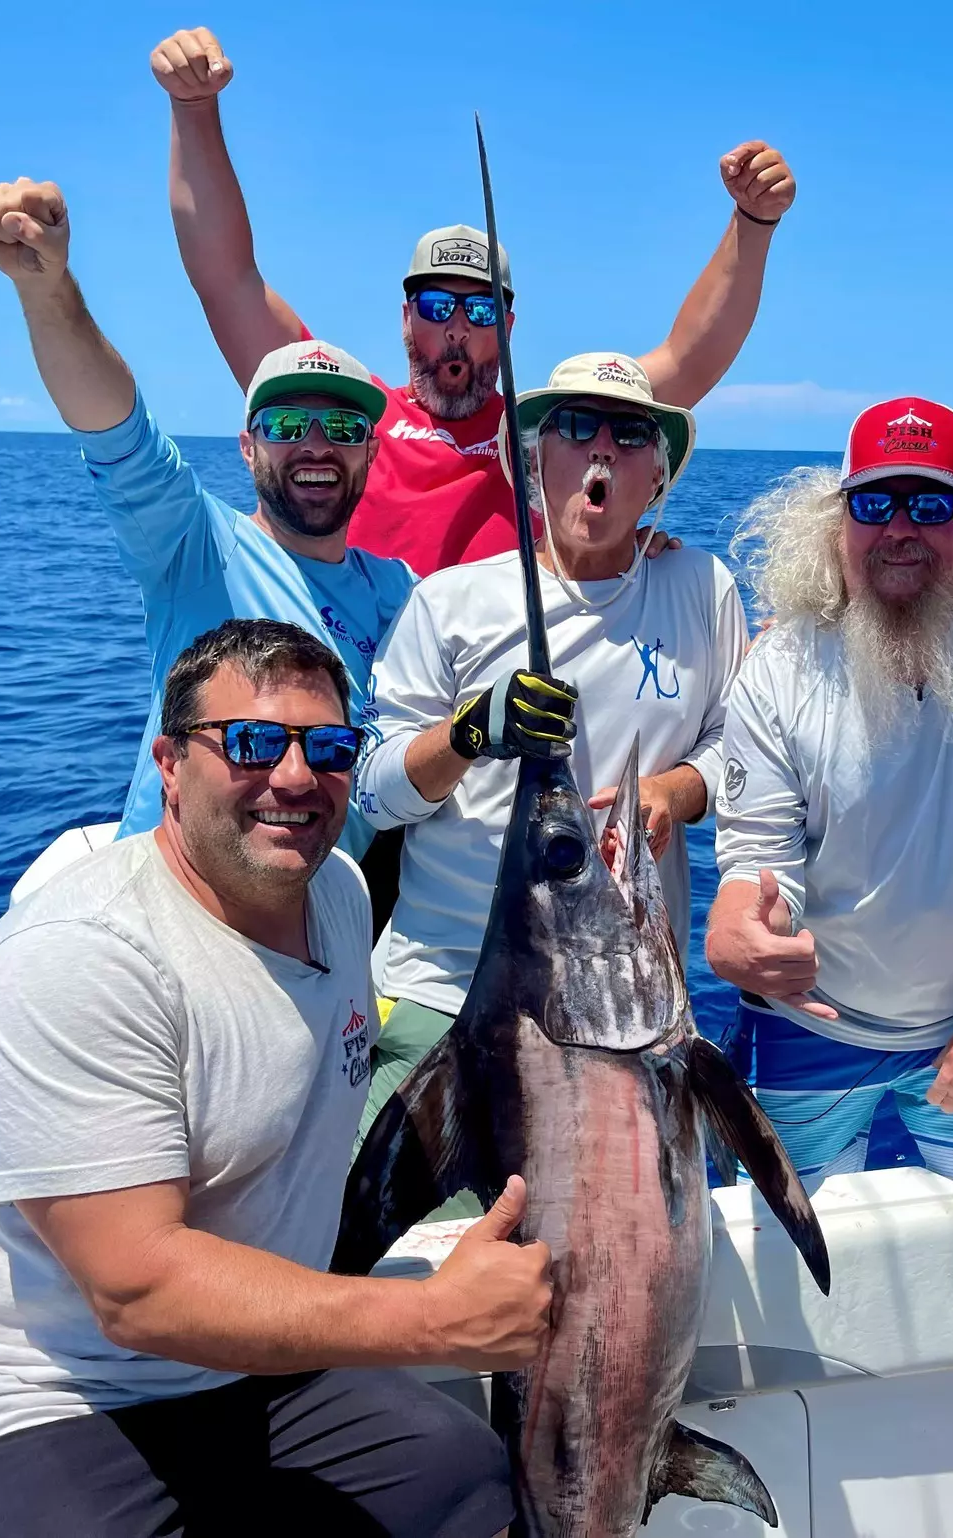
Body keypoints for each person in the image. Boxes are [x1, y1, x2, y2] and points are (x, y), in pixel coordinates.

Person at [0, 619, 552, 1538]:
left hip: (233, 1373)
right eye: (250, 743)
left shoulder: (337, 893)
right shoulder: (81, 961)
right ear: (169, 765)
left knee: (475, 1490)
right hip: (11, 1404)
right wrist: (435, 1318)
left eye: (328, 747)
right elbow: (139, 1290)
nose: (295, 777)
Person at [705, 398, 953, 1538]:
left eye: (929, 505)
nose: (901, 528)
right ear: (835, 522)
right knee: (787, 1230)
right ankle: (782, 1415)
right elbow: (752, 857)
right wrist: (736, 930)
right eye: (874, 502)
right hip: (809, 1025)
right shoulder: (781, 665)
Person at [150, 25, 798, 574]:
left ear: (507, 326)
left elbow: (689, 359)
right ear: (407, 318)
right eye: (437, 307)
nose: (457, 327)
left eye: (480, 310)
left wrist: (753, 223)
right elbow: (227, 277)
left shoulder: (554, 434)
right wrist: (194, 110)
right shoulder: (345, 419)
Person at [357, 352, 745, 1174]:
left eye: (630, 433)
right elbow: (376, 790)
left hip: (627, 1001)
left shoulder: (702, 589)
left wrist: (675, 789)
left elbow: (737, 750)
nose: (600, 448)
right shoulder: (450, 601)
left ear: (656, 476)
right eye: (574, 427)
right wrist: (467, 732)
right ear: (534, 462)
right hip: (444, 989)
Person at [0, 176, 415, 858]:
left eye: (343, 427)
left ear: (371, 450)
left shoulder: (401, 593)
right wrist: (46, 290)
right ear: (247, 447)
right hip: (175, 899)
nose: (317, 444)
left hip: (321, 914)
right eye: (289, 423)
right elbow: (117, 431)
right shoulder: (194, 544)